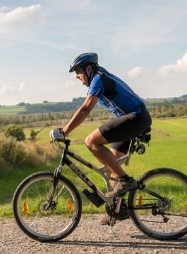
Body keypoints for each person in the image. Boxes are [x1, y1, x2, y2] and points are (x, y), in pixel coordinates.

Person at [50, 52, 152, 222]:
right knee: (112, 168)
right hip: (135, 118)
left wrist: (64, 131)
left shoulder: (98, 79)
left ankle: (125, 181)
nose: (77, 76)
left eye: (78, 71)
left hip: (136, 117)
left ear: (88, 69)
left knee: (91, 141)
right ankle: (117, 210)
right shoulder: (100, 76)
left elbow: (85, 109)